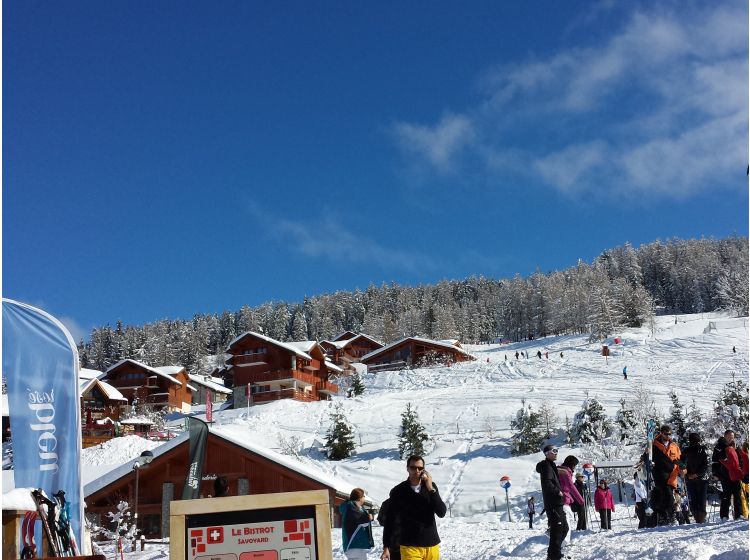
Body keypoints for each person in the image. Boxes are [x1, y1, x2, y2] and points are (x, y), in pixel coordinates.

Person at [381, 455, 446, 560]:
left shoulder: (430, 487)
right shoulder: (399, 491)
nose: (416, 470)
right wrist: (386, 547)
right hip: (409, 545)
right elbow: (390, 520)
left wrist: (430, 488)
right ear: (407, 469)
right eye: (413, 467)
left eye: (420, 468)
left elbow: (441, 512)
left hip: (431, 544)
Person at [535, 444, 568, 560]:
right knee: (558, 530)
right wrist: (558, 491)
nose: (556, 452)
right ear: (547, 453)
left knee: (564, 528)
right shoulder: (547, 466)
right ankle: (554, 556)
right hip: (553, 503)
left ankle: (553, 553)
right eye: (554, 451)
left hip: (556, 503)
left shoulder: (550, 465)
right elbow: (547, 483)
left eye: (557, 450)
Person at [644, 425, 681, 526]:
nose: (667, 436)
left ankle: (663, 516)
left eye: (669, 434)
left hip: (672, 474)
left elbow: (679, 459)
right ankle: (672, 516)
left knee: (663, 496)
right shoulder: (654, 444)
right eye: (665, 433)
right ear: (661, 433)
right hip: (660, 473)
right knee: (668, 494)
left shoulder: (674, 445)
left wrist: (683, 467)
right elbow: (646, 457)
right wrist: (647, 457)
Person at [713, 430, 743, 520]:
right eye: (729, 436)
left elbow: (740, 460)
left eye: (732, 436)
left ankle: (739, 515)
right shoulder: (719, 447)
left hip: (736, 474)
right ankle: (724, 516)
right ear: (725, 436)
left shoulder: (736, 446)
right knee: (726, 495)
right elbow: (715, 461)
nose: (731, 438)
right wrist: (716, 474)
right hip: (725, 474)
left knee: (738, 494)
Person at [682, 432, 710, 523]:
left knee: (693, 499)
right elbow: (705, 465)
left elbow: (683, 465)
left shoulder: (686, 451)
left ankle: (697, 517)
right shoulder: (703, 450)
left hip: (690, 478)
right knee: (701, 499)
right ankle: (701, 518)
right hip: (702, 478)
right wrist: (698, 474)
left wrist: (688, 475)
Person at [341, 488, 374, 560]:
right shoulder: (352, 507)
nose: (364, 498)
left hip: (353, 545)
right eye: (363, 496)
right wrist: (369, 517)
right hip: (355, 544)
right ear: (360, 497)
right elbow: (362, 521)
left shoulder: (352, 506)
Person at [557, 456, 584, 546]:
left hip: (561, 499)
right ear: (571, 464)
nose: (575, 467)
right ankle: (564, 543)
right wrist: (580, 500)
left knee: (566, 521)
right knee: (567, 522)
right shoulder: (565, 471)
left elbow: (565, 487)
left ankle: (563, 542)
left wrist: (571, 499)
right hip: (563, 500)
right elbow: (571, 486)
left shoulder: (560, 469)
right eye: (574, 465)